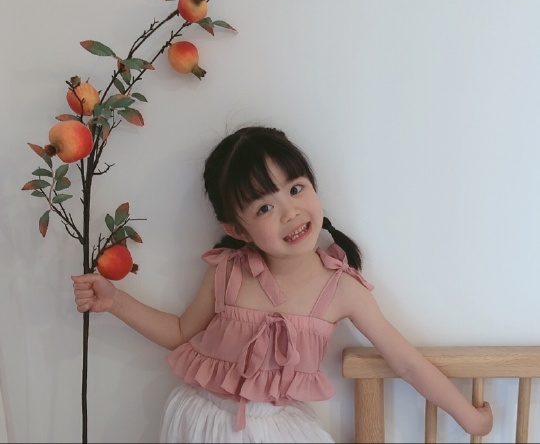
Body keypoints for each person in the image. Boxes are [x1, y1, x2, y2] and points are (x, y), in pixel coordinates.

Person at [72, 125, 493, 443]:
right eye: (265, 207)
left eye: (296, 188)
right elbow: (180, 332)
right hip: (202, 423)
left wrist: (469, 418)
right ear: (237, 229)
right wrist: (116, 302)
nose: (290, 213)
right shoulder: (226, 270)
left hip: (274, 430)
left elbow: (408, 363)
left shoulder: (342, 289)